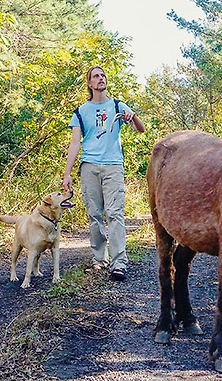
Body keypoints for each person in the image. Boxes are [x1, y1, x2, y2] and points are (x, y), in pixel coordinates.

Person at [62, 65, 145, 282]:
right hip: (89, 166)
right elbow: (74, 143)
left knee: (115, 213)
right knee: (95, 214)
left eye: (102, 75)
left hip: (113, 166)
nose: (101, 78)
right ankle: (100, 259)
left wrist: (132, 116)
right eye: (96, 76)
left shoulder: (117, 105)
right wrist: (67, 173)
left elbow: (140, 128)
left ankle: (119, 263)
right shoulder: (80, 112)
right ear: (89, 84)